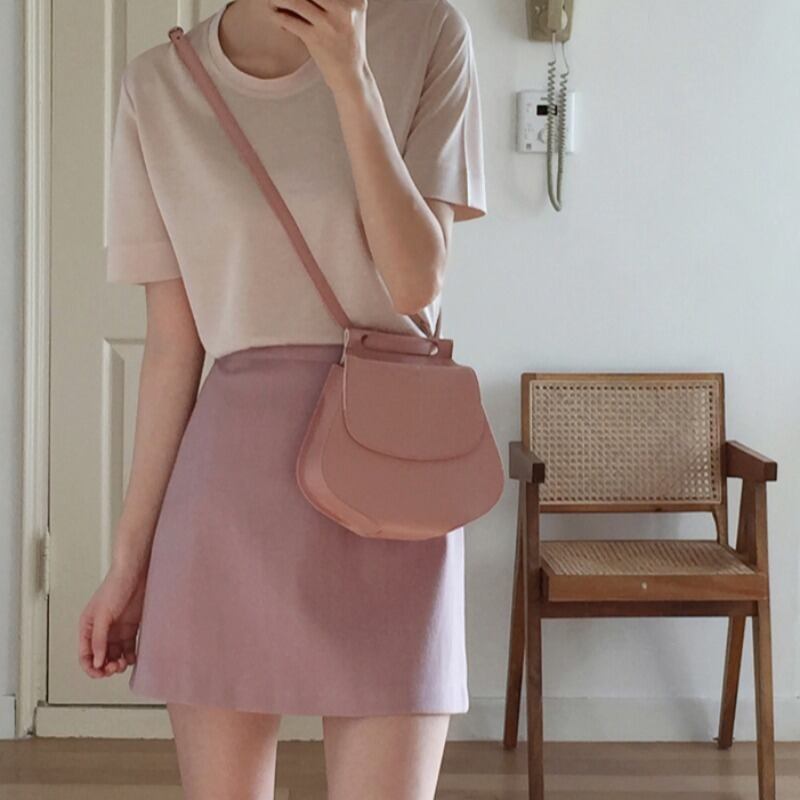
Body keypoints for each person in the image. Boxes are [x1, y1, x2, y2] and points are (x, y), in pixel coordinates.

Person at [78, 0, 486, 797]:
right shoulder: (159, 86)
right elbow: (173, 348)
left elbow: (415, 282)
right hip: (229, 495)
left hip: (394, 482)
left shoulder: (430, 33)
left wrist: (351, 78)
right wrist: (129, 562)